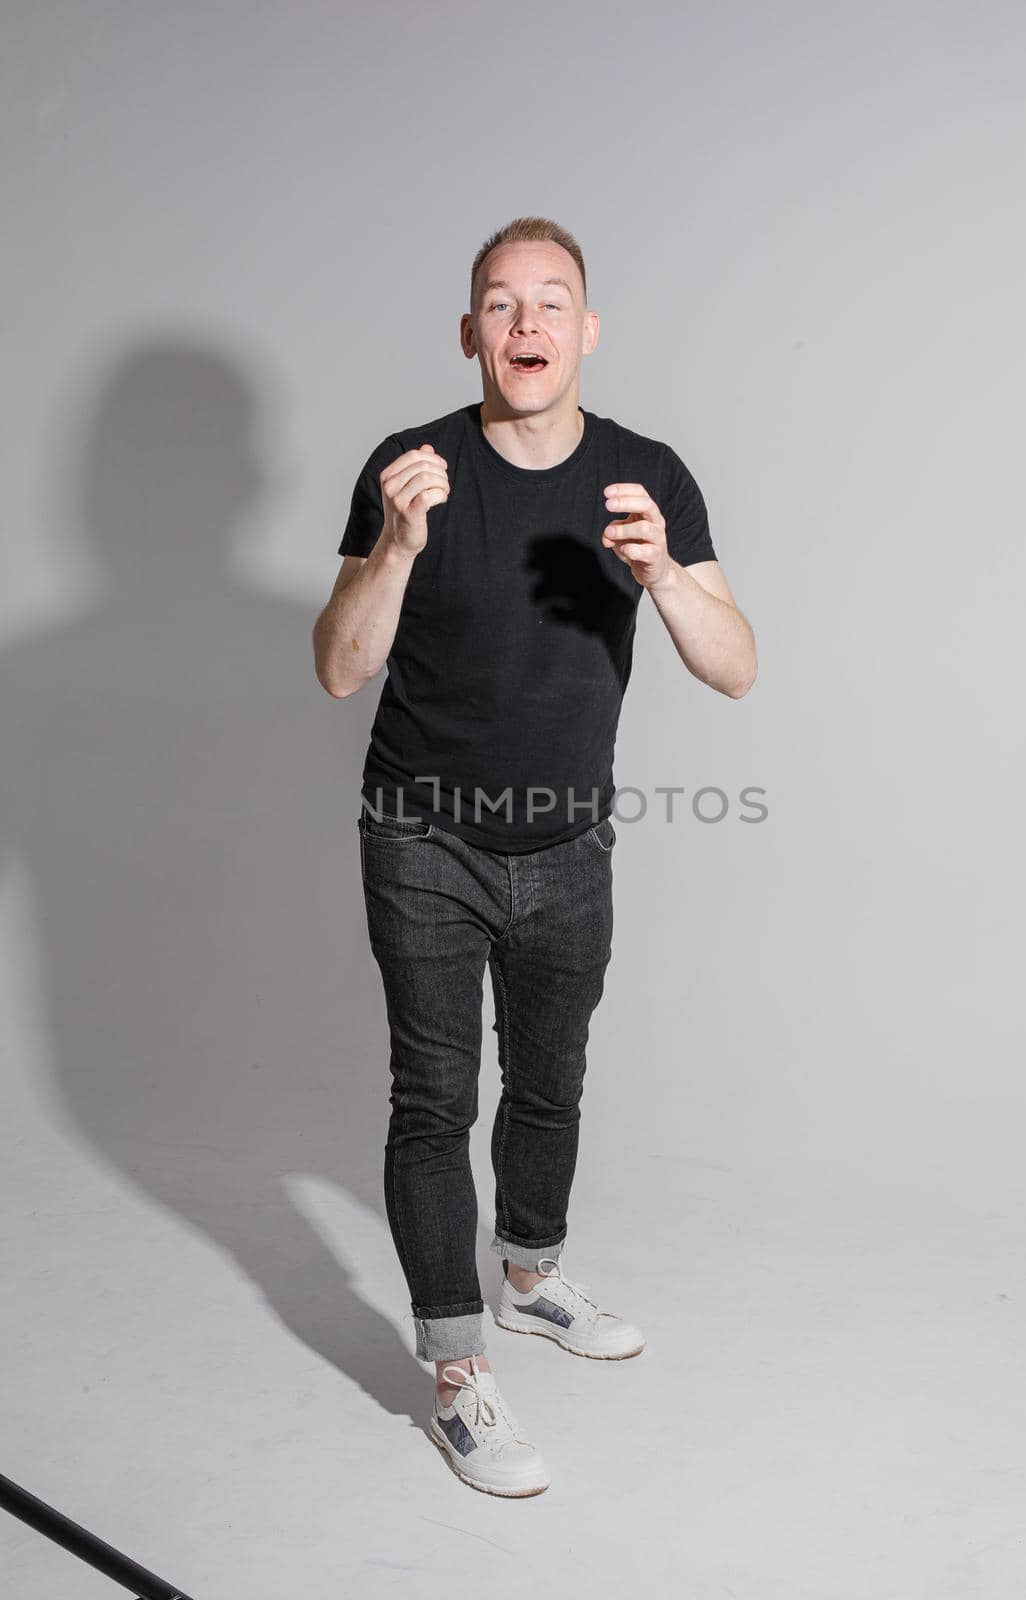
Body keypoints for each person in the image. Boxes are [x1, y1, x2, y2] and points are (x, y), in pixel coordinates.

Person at [312, 216, 757, 1496]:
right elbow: (341, 668)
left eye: (549, 302)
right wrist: (395, 547)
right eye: (499, 305)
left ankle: (528, 1279)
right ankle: (456, 1372)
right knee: (432, 1101)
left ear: (585, 331)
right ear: (470, 334)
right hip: (421, 834)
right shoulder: (408, 468)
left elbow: (733, 668)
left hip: (570, 835)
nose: (524, 325)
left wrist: (664, 574)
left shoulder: (645, 475)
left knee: (551, 1080)